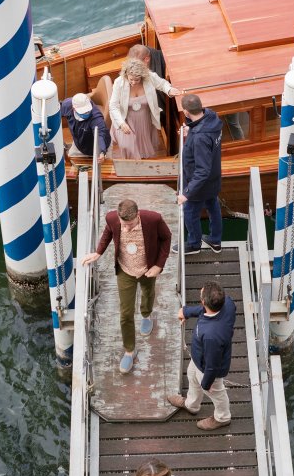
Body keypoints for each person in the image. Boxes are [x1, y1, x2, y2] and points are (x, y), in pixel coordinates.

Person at [79, 198, 171, 373]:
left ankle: (146, 315)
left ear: (138, 215)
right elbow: (108, 232)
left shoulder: (154, 219)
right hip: (125, 270)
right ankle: (129, 351)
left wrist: (158, 265)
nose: (126, 228)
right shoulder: (112, 218)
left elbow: (167, 238)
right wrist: (98, 253)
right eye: (124, 224)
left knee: (148, 292)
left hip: (147, 269)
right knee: (125, 313)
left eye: (130, 224)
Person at [168, 279, 235, 430]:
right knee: (192, 376)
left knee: (217, 394)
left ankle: (223, 417)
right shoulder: (228, 304)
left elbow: (212, 364)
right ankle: (192, 405)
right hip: (199, 360)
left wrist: (207, 383)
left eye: (201, 295)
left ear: (204, 302)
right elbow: (204, 310)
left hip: (209, 370)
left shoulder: (212, 336)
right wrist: (186, 312)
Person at [177, 92, 223, 254]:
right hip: (214, 179)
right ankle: (215, 241)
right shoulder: (212, 118)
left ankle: (194, 244)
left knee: (189, 212)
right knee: (213, 206)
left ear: (186, 112)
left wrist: (187, 193)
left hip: (199, 185)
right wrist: (190, 131)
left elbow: (202, 170)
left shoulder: (200, 137)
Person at [109, 57, 179, 160]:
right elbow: (113, 106)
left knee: (142, 147)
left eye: (136, 79)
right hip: (127, 120)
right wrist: (121, 123)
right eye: (130, 79)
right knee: (128, 146)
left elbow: (162, 84)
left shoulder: (150, 77)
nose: (133, 82)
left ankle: (141, 165)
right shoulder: (118, 82)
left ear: (142, 76)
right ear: (126, 75)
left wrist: (169, 90)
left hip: (145, 120)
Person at [60, 92, 110, 159]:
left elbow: (100, 135)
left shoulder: (96, 118)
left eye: (88, 111)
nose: (87, 113)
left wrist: (102, 152)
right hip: (79, 144)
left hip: (98, 148)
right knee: (71, 161)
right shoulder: (66, 105)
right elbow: (56, 111)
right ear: (73, 108)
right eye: (83, 111)